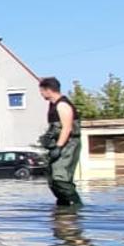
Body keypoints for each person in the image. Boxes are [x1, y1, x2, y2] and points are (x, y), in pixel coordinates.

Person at [37, 77, 83, 207]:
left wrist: (58, 147)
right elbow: (55, 128)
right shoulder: (52, 104)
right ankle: (63, 208)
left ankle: (77, 206)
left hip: (68, 146)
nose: (41, 94)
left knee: (60, 179)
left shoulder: (63, 105)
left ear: (48, 90)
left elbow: (67, 128)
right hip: (58, 145)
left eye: (41, 91)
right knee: (52, 180)